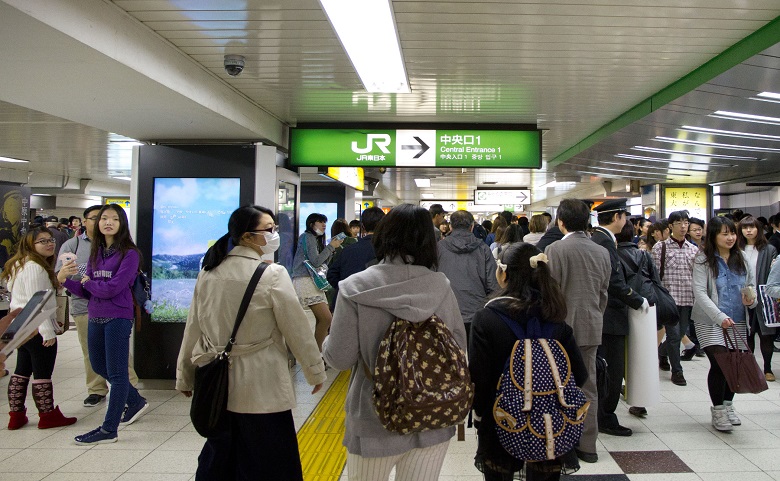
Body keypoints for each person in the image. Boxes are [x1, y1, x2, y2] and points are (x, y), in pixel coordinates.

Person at [177, 205, 326, 481]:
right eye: (269, 230)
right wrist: (314, 370)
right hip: (263, 384)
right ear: (247, 237)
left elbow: (193, 328)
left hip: (217, 382)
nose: (274, 234)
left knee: (222, 456)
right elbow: (297, 329)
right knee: (270, 459)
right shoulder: (272, 274)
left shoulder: (208, 272)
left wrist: (185, 375)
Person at [322, 204, 466, 481]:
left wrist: (326, 341)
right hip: (432, 413)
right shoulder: (440, 286)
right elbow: (459, 348)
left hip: (374, 414)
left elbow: (339, 358)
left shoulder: (355, 288)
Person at [470, 242, 587, 481]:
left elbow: (479, 379)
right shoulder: (555, 315)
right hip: (550, 422)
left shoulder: (486, 318)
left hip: (501, 418)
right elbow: (580, 374)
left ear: (504, 274)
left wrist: (480, 414)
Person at [61, 204, 149, 444]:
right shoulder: (95, 252)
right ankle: (137, 401)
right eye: (104, 218)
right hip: (95, 314)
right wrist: (66, 281)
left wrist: (89, 283)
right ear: (96, 223)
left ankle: (109, 429)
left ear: (122, 224)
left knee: (118, 373)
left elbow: (114, 288)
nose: (108, 222)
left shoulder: (130, 253)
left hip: (118, 317)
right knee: (100, 366)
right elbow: (89, 291)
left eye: (114, 219)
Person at [544, 199, 610, 463]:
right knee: (587, 386)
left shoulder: (555, 250)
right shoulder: (602, 252)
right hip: (591, 326)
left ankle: (560, 441)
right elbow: (603, 294)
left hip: (559, 331)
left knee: (555, 386)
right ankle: (588, 446)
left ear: (561, 222)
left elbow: (548, 294)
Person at [1, 227, 78, 430]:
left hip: (20, 325)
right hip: (35, 326)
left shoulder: (19, 264)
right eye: (42, 241)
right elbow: (38, 302)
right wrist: (47, 331)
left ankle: (16, 416)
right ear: (30, 244)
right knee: (42, 373)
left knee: (21, 371)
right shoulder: (35, 267)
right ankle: (47, 415)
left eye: (50, 240)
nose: (49, 244)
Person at [691, 216, 756, 432]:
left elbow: (751, 286)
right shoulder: (703, 259)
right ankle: (718, 410)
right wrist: (719, 317)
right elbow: (700, 293)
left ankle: (728, 405)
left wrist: (751, 299)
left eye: (732, 233)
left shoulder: (743, 258)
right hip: (710, 321)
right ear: (714, 236)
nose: (730, 238)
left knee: (735, 364)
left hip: (737, 319)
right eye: (724, 233)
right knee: (720, 363)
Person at [591, 199, 648, 438]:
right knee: (611, 369)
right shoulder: (605, 242)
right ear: (617, 218)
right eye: (624, 216)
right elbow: (614, 283)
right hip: (610, 317)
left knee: (602, 367)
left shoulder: (596, 238)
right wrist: (637, 300)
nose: (626, 221)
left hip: (600, 315)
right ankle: (606, 416)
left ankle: (601, 414)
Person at [652, 210, 699, 385]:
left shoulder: (693, 250)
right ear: (671, 226)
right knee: (673, 335)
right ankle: (677, 372)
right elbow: (655, 274)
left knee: (679, 333)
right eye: (679, 223)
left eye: (686, 223)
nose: (683, 226)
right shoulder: (660, 247)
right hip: (668, 299)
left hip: (687, 298)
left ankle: (662, 353)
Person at [437, 210, 499, 339]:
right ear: (471, 227)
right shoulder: (483, 249)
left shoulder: (438, 248)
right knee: (474, 356)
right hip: (476, 312)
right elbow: (492, 285)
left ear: (451, 226)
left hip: (445, 312)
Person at [291, 213, 343, 350]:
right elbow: (315, 262)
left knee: (324, 319)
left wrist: (331, 249)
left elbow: (321, 262)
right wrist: (331, 247)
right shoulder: (308, 237)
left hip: (310, 281)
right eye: (320, 222)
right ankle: (317, 352)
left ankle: (318, 351)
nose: (323, 225)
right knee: (326, 318)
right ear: (311, 224)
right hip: (305, 281)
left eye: (324, 222)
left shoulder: (313, 239)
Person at [737, 216, 777, 381]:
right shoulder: (737, 248)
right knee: (746, 333)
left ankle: (767, 368)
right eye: (745, 228)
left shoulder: (769, 249)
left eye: (752, 227)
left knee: (765, 333)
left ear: (759, 230)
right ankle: (749, 367)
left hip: (763, 297)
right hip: (741, 295)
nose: (748, 231)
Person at [327, 207, 385, 308]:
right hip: (376, 306)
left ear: (362, 226)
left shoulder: (348, 250)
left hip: (346, 304)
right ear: (384, 225)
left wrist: (345, 289)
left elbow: (332, 274)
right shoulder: (389, 251)